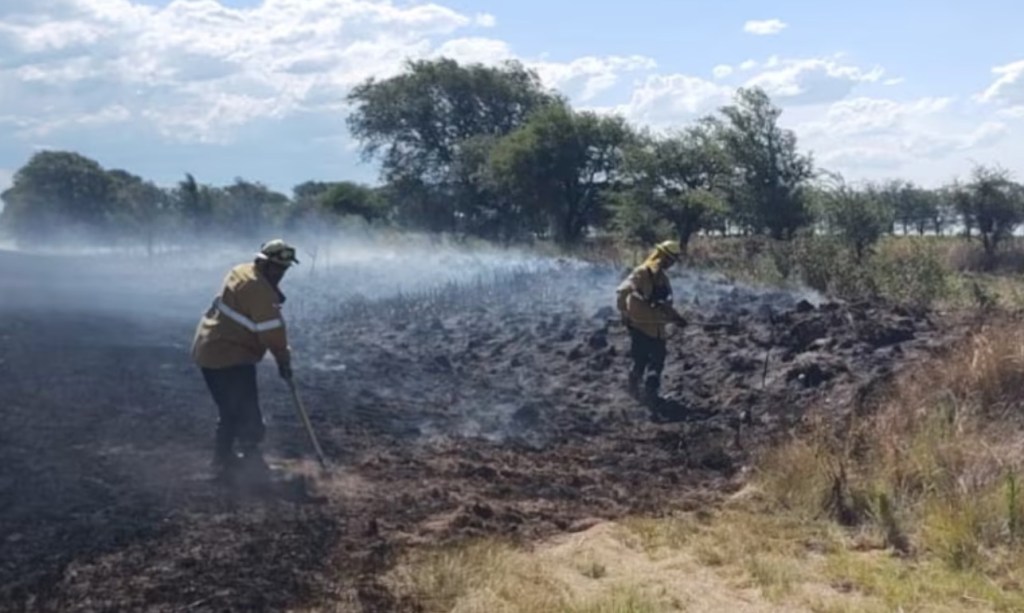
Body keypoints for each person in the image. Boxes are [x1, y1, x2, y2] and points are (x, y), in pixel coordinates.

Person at [191, 239, 299, 481]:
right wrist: (284, 361)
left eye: (285, 269)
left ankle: (223, 462)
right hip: (229, 355)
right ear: (263, 263)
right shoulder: (259, 291)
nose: (281, 273)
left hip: (211, 347)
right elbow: (273, 332)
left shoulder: (242, 271)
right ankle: (250, 466)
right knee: (247, 414)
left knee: (230, 411)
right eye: (277, 268)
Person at [616, 240, 688, 401]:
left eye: (672, 261)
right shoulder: (641, 273)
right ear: (661, 256)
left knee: (657, 361)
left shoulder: (664, 280)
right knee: (640, 361)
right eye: (669, 259)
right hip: (639, 326)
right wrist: (624, 314)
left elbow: (666, 305)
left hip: (658, 329)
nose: (670, 264)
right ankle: (634, 392)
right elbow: (622, 291)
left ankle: (651, 394)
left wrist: (677, 318)